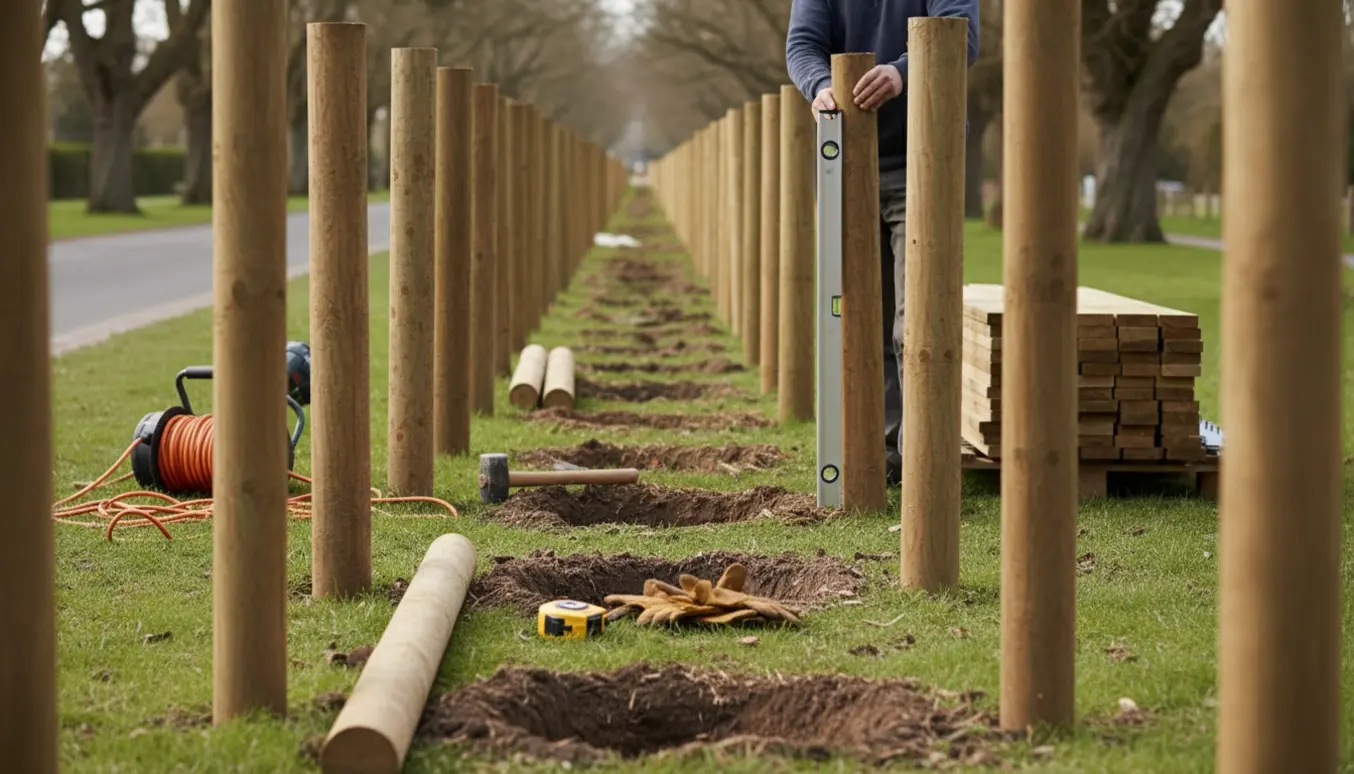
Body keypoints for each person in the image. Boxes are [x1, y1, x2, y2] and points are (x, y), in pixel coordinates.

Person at [786, 0, 980, 485]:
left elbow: (961, 35)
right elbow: (802, 45)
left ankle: (923, 457)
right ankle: (885, 455)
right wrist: (820, 85)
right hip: (846, 159)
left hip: (925, 156)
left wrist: (902, 73)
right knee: (860, 316)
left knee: (915, 320)